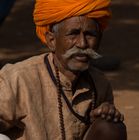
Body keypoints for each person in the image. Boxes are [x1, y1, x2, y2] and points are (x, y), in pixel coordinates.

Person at [0, 0, 127, 139]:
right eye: (73, 34)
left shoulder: (100, 83)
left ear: (100, 39)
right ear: (51, 40)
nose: (82, 44)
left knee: (110, 126)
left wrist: (103, 116)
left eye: (90, 34)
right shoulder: (17, 79)